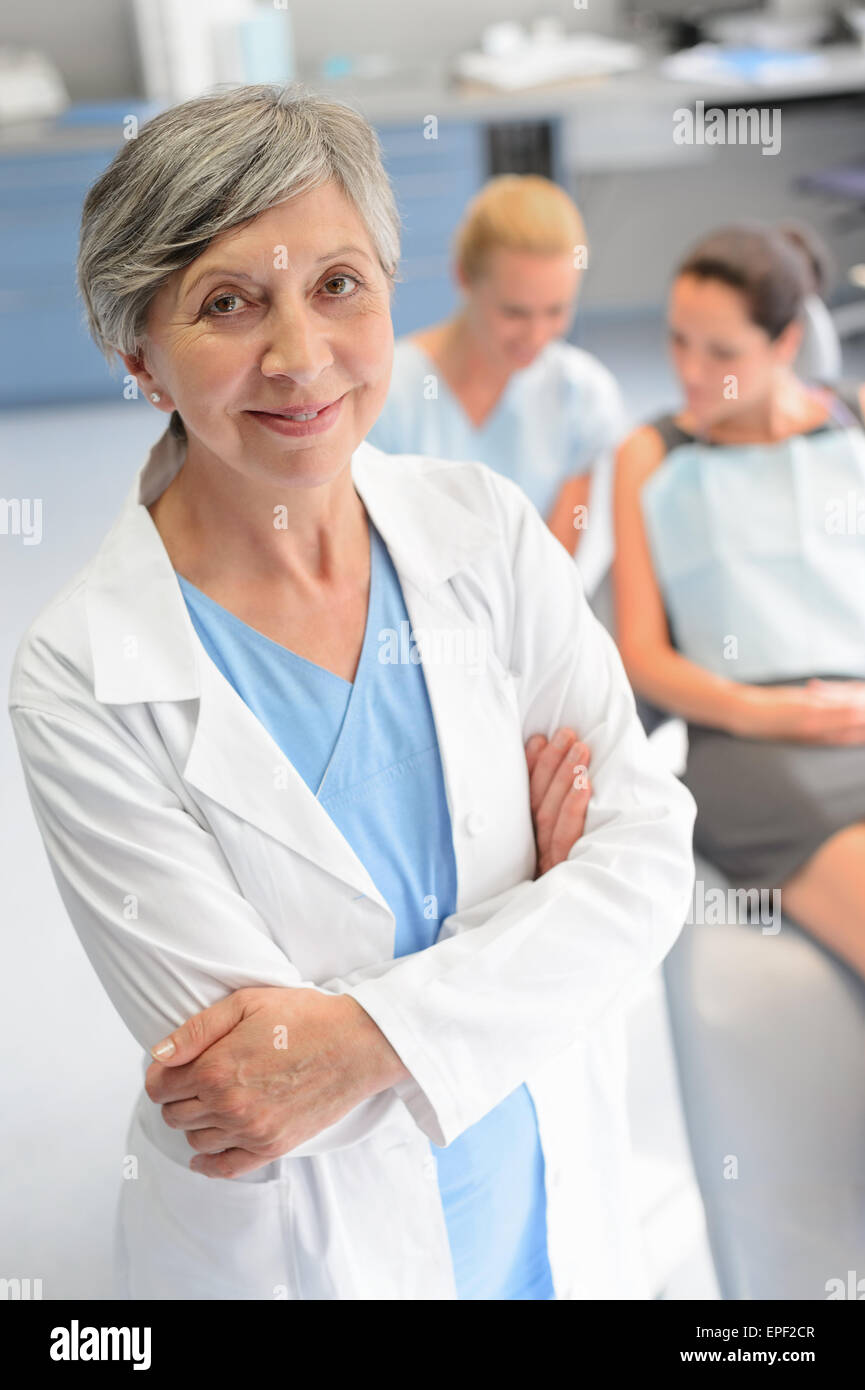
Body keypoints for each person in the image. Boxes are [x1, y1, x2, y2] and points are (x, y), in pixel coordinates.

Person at [8, 84, 695, 1302]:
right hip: (304, 1256)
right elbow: (254, 1090)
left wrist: (360, 1038)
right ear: (140, 357)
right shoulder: (80, 674)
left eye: (338, 285)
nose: (301, 356)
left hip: (548, 1196)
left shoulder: (483, 529)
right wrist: (538, 910)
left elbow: (645, 866)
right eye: (227, 303)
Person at [613, 221, 865, 980]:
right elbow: (642, 656)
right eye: (677, 341)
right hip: (749, 749)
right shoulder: (651, 456)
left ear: (785, 343)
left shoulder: (853, 426)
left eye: (720, 353)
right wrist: (767, 714)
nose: (691, 371)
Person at [366, 174, 626, 592]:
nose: (537, 336)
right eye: (515, 312)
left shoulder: (581, 395)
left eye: (556, 310)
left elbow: (551, 575)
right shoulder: (386, 393)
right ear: (464, 278)